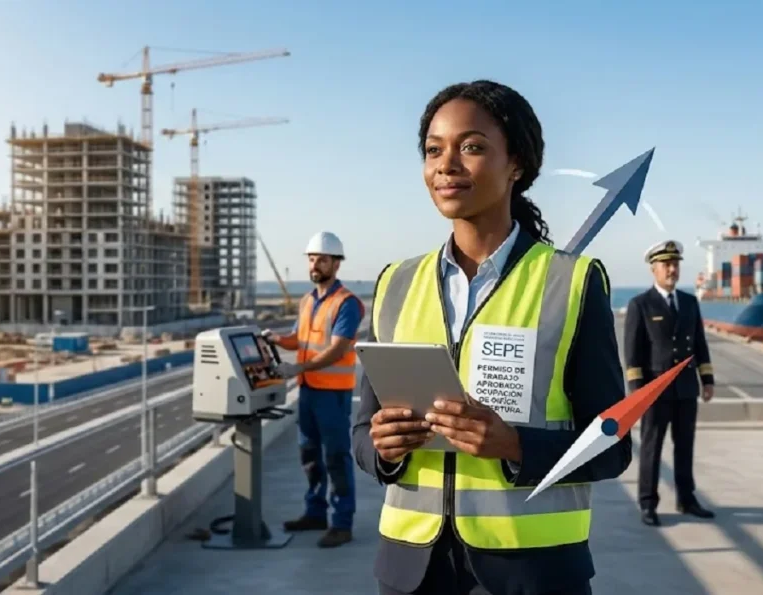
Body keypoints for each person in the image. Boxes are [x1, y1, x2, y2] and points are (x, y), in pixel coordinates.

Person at [352, 79, 633, 595]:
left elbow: (612, 446)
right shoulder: (394, 284)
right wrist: (384, 449)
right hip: (411, 570)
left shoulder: (572, 281)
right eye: (434, 150)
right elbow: (360, 435)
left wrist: (514, 444)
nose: (447, 164)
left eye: (472, 147)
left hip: (533, 571)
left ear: (517, 166)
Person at [268, 231, 365, 548]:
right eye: (311, 259)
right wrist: (275, 339)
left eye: (322, 259)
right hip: (309, 391)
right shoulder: (308, 301)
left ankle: (341, 522)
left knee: (336, 457)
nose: (315, 265)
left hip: (333, 394)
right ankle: (315, 512)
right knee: (309, 455)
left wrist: (298, 368)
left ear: (336, 264)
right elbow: (299, 339)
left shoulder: (347, 304)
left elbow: (337, 350)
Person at [624, 240, 716, 527]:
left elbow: (699, 343)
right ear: (654, 269)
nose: (672, 269)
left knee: (685, 446)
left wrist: (707, 379)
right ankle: (648, 503)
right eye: (666, 264)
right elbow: (632, 352)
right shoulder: (641, 304)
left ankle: (687, 499)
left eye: (675, 264)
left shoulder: (689, 303)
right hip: (655, 391)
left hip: (686, 389)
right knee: (652, 447)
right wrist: (638, 393)